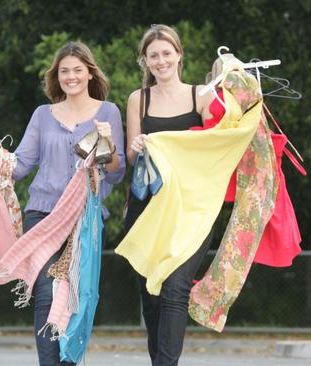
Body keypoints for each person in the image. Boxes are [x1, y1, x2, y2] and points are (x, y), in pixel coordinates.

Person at [12, 41, 125, 366]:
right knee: (46, 294)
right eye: (64, 71)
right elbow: (20, 165)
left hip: (84, 220)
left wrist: (109, 143)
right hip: (43, 216)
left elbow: (116, 174)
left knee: (76, 298)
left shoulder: (108, 112)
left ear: (90, 73)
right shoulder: (43, 115)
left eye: (78, 70)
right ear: (56, 76)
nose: (71, 76)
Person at [123, 24, 216, 366]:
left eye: (166, 53)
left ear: (179, 55)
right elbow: (132, 156)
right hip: (147, 209)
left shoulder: (202, 95)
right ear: (145, 62)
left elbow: (215, 144)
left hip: (192, 209)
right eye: (153, 55)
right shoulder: (138, 99)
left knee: (176, 288)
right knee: (152, 297)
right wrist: (135, 147)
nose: (160, 61)